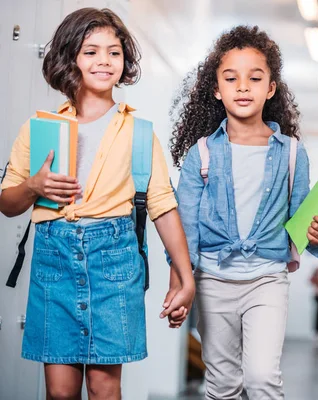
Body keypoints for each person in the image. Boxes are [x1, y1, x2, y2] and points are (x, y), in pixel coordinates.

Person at [0, 8, 195, 399]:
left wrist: (185, 276)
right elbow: (8, 203)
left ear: (124, 62)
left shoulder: (140, 134)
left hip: (114, 264)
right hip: (53, 263)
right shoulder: (38, 129)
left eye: (114, 52)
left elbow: (163, 207)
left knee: (105, 389)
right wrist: (35, 186)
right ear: (69, 57)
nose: (104, 61)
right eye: (91, 51)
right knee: (59, 391)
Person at [170, 25, 318, 400]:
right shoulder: (202, 154)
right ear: (217, 89)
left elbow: (302, 222)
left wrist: (317, 233)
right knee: (223, 383)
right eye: (231, 78)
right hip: (212, 278)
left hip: (267, 280)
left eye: (254, 78)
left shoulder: (292, 152)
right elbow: (186, 226)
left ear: (270, 88)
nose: (243, 87)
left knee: (261, 379)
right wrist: (180, 282)